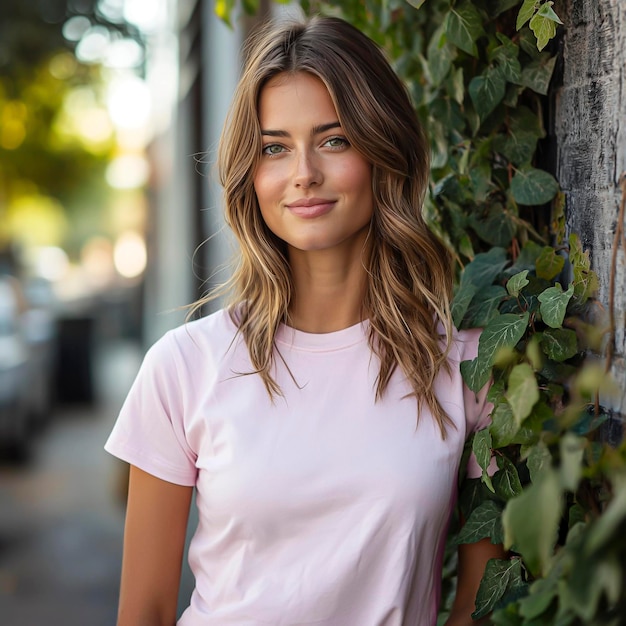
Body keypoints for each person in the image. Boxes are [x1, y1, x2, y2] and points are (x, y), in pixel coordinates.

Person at [105, 14, 504, 626]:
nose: (303, 173)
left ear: (382, 151)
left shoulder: (465, 370)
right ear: (251, 171)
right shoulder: (184, 367)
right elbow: (147, 611)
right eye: (274, 147)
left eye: (334, 139)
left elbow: (475, 609)